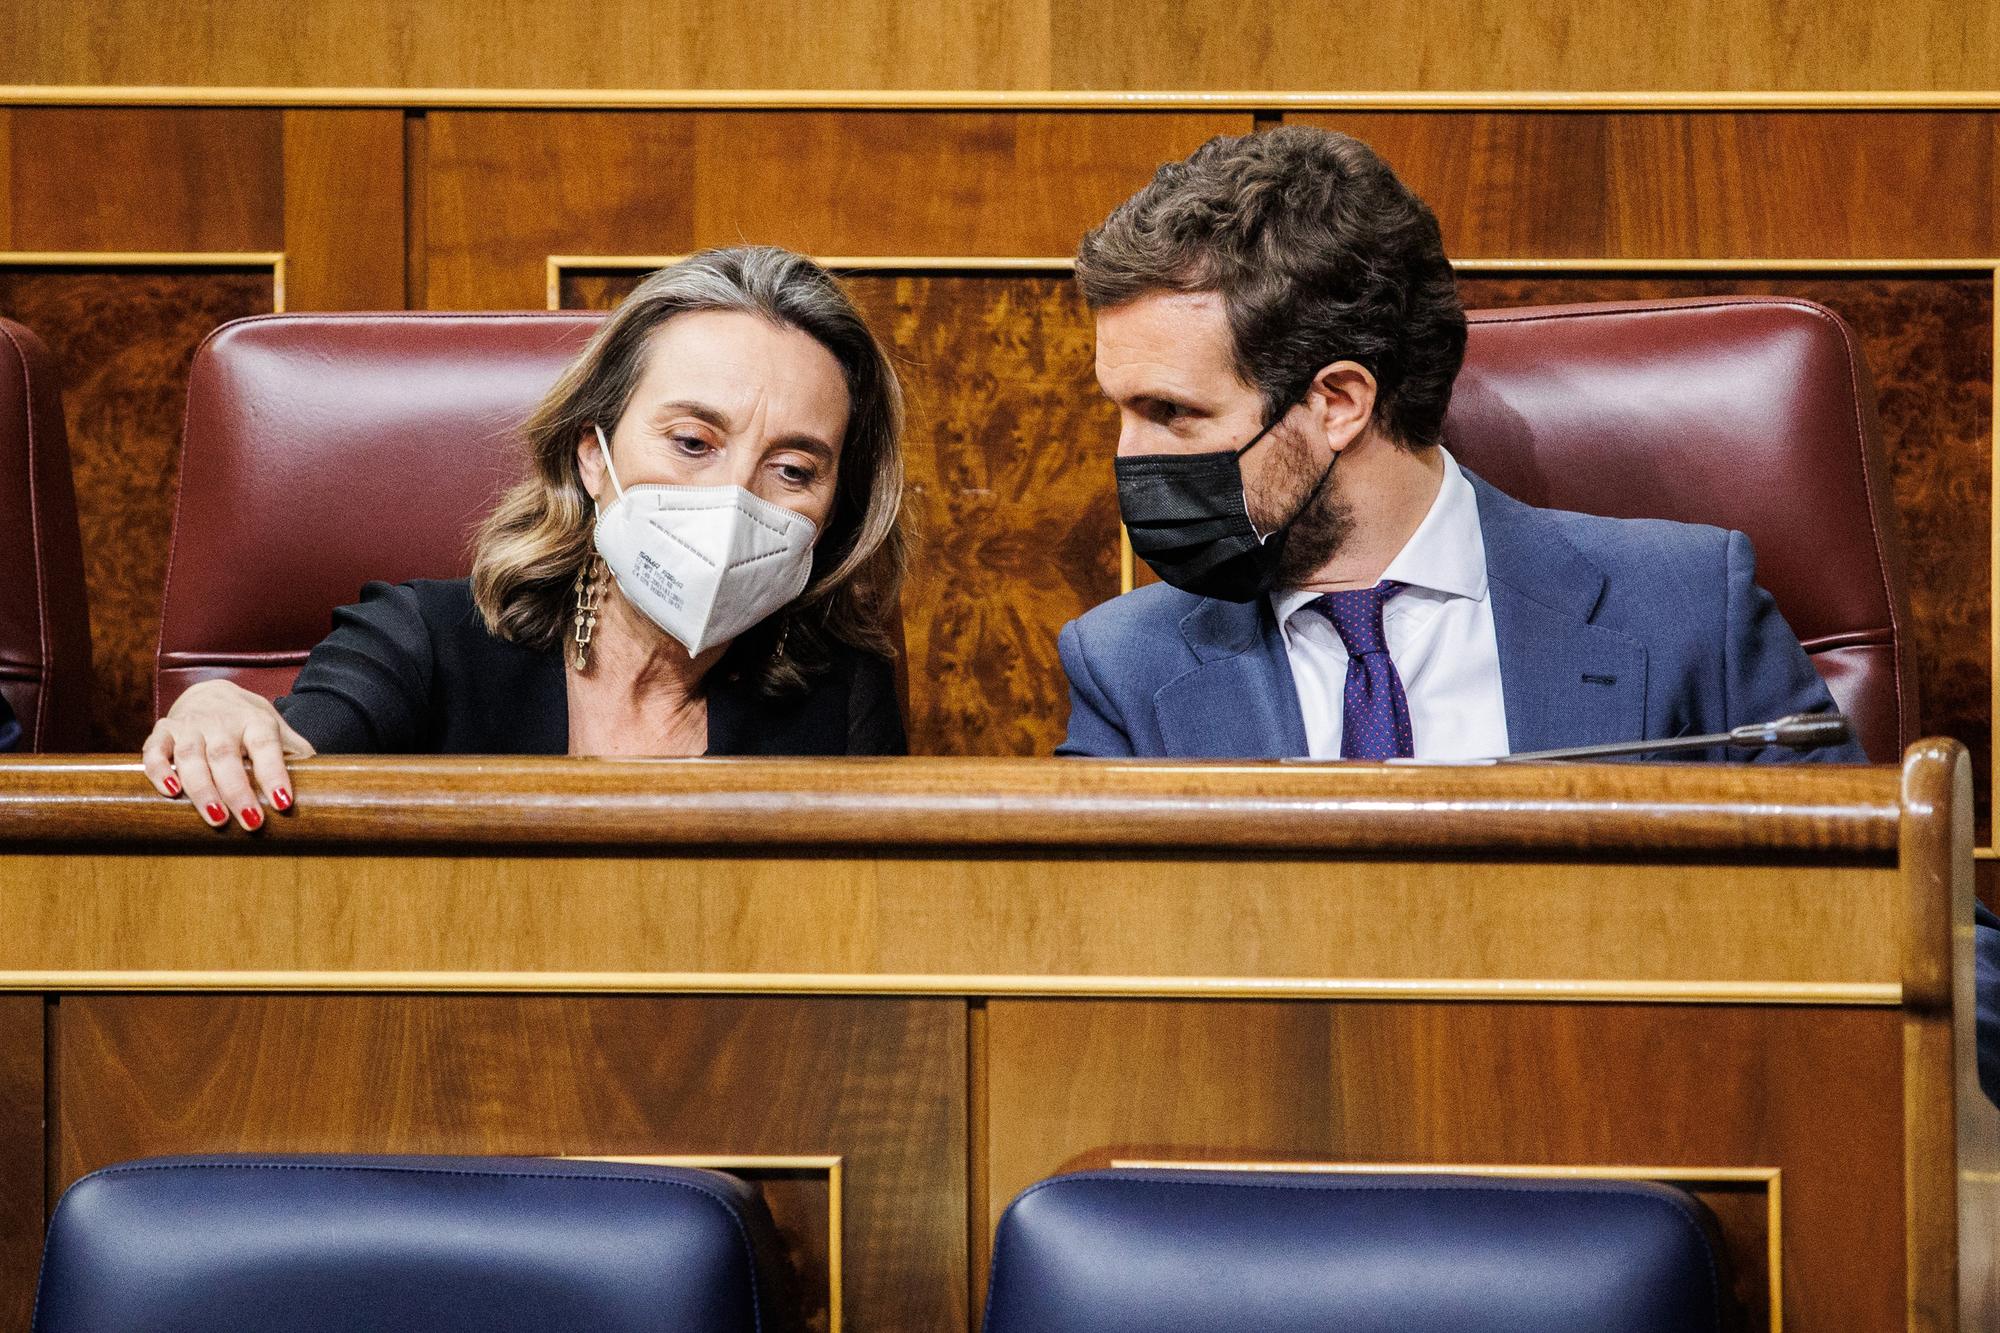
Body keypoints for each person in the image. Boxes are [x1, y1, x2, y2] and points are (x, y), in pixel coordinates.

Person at [1056, 126, 1864, 764]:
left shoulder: (1688, 612)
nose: (1131, 457)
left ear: (1339, 401)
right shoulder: (1125, 668)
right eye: (1121, 411)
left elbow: (1907, 936)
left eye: (1172, 411)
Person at [143, 247, 910, 830]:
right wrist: (220, 710)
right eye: (692, 442)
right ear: (592, 455)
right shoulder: (421, 642)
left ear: (832, 506)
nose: (735, 495)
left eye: (793, 467)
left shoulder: (841, 692)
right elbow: (286, 761)